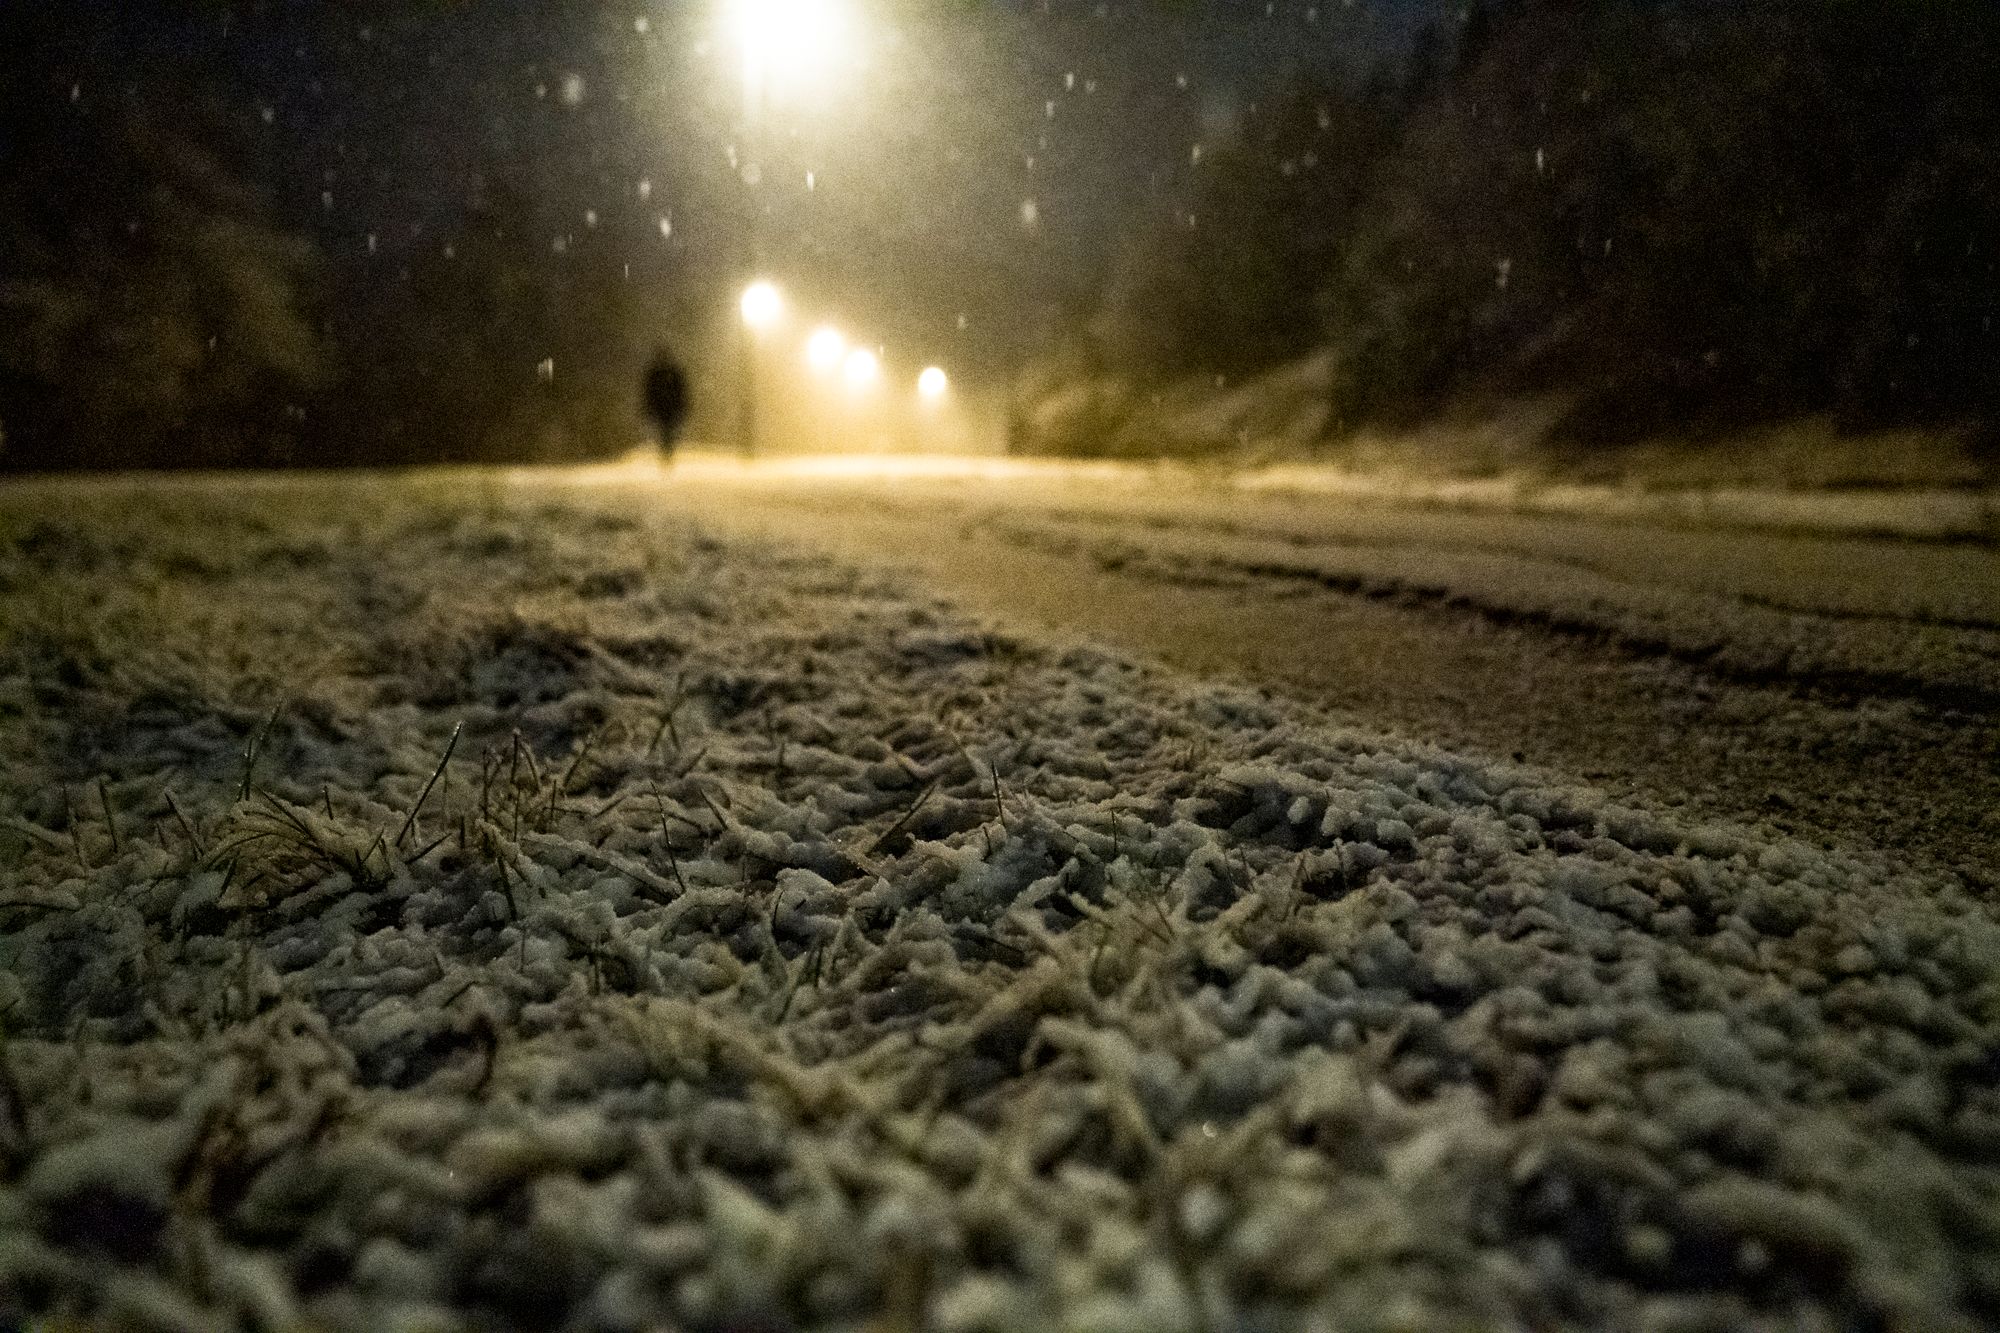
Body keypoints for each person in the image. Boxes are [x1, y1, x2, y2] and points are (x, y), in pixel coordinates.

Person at [641, 351, 689, 453]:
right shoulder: (672, 374)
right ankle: (667, 447)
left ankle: (666, 447)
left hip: (664, 406)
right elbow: (681, 391)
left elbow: (649, 391)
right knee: (667, 428)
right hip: (667, 406)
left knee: (665, 428)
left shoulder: (655, 374)